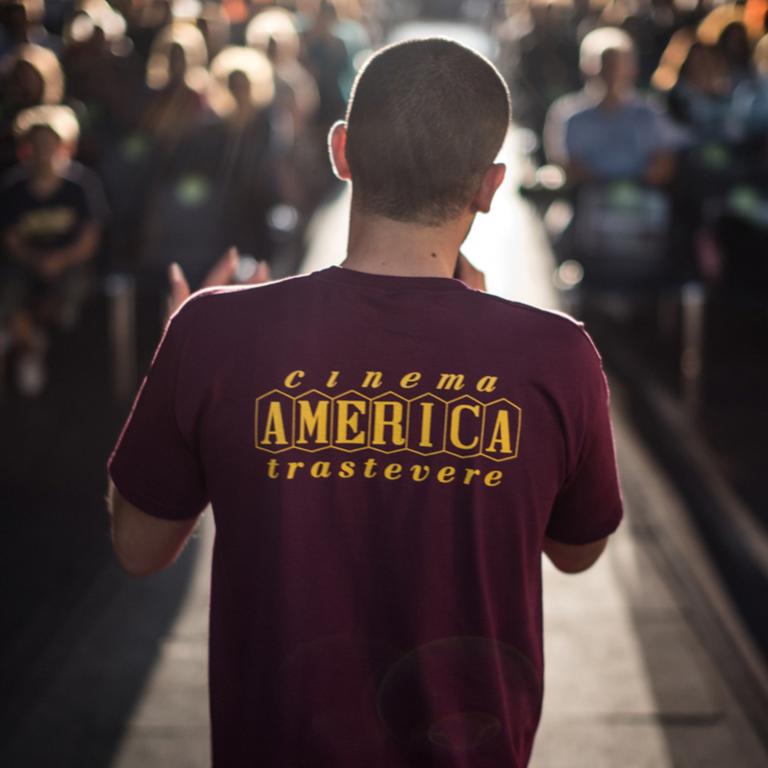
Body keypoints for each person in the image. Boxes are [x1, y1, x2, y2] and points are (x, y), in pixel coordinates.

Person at [107, 38, 623, 767]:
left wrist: (176, 359)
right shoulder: (555, 355)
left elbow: (138, 547)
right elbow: (578, 549)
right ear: (490, 185)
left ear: (342, 151)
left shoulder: (213, 331)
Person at [0, 103, 107, 395]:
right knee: (9, 297)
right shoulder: (13, 189)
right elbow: (10, 239)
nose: (43, 151)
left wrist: (59, 261)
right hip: (24, 267)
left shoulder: (80, 186)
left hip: (71, 267)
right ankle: (30, 346)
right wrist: (36, 261)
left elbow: (90, 237)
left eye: (50, 143)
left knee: (66, 302)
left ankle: (43, 353)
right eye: (36, 144)